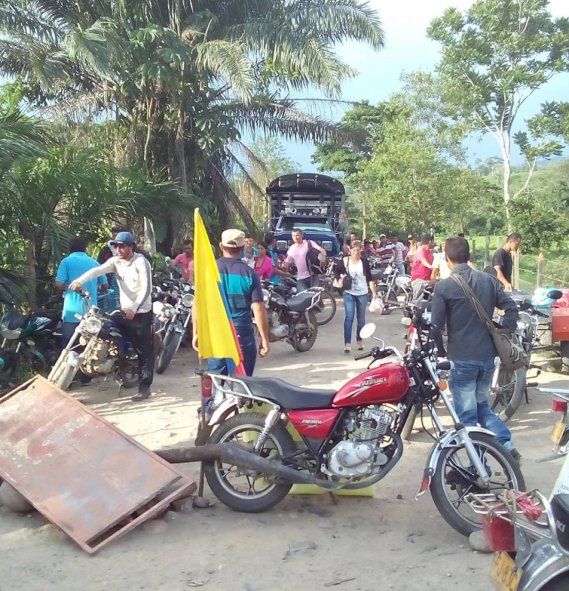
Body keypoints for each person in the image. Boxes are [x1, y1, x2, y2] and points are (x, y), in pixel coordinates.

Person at [430, 237, 520, 461]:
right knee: (481, 407)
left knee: (467, 420)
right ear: (468, 255)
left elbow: (435, 326)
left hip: (461, 359)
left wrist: (440, 352)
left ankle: (478, 469)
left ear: (447, 258)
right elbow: (511, 307)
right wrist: (504, 331)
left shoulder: (444, 286)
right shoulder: (488, 280)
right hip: (487, 358)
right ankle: (506, 444)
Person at [69, 231, 154, 401]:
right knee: (105, 326)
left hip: (141, 312)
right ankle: (117, 359)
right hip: (124, 310)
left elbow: (146, 289)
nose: (119, 250)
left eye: (122, 246)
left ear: (131, 247)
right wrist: (80, 280)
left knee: (144, 352)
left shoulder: (140, 262)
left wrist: (135, 309)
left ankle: (144, 388)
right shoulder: (116, 262)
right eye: (116, 246)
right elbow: (97, 271)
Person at [195, 229, 269, 376]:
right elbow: (258, 308)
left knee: (216, 380)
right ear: (242, 249)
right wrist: (264, 339)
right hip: (241, 332)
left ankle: (215, 399)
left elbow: (198, 304)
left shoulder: (208, 271)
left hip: (216, 332)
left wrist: (197, 333)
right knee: (242, 383)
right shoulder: (250, 274)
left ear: (221, 246)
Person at [55, 237, 108, 383]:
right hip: (90, 312)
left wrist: (68, 286)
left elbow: (59, 283)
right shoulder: (94, 263)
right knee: (88, 345)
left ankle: (66, 378)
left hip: (71, 311)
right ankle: (85, 378)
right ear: (85, 249)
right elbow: (105, 285)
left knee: (68, 344)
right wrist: (94, 287)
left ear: (70, 248)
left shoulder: (66, 262)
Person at [335, 240, 378, 354]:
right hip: (349, 292)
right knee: (349, 317)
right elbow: (336, 271)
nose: (356, 253)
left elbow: (369, 278)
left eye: (358, 251)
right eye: (354, 251)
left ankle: (359, 340)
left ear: (361, 251)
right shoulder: (345, 261)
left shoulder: (364, 262)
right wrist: (339, 279)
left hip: (362, 293)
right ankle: (347, 343)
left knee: (361, 319)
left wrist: (374, 293)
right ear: (350, 250)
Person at [410, 234, 435, 301]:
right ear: (430, 241)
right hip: (419, 280)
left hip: (427, 281)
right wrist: (430, 266)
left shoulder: (429, 252)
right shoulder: (420, 250)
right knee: (417, 301)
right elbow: (423, 261)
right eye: (433, 241)